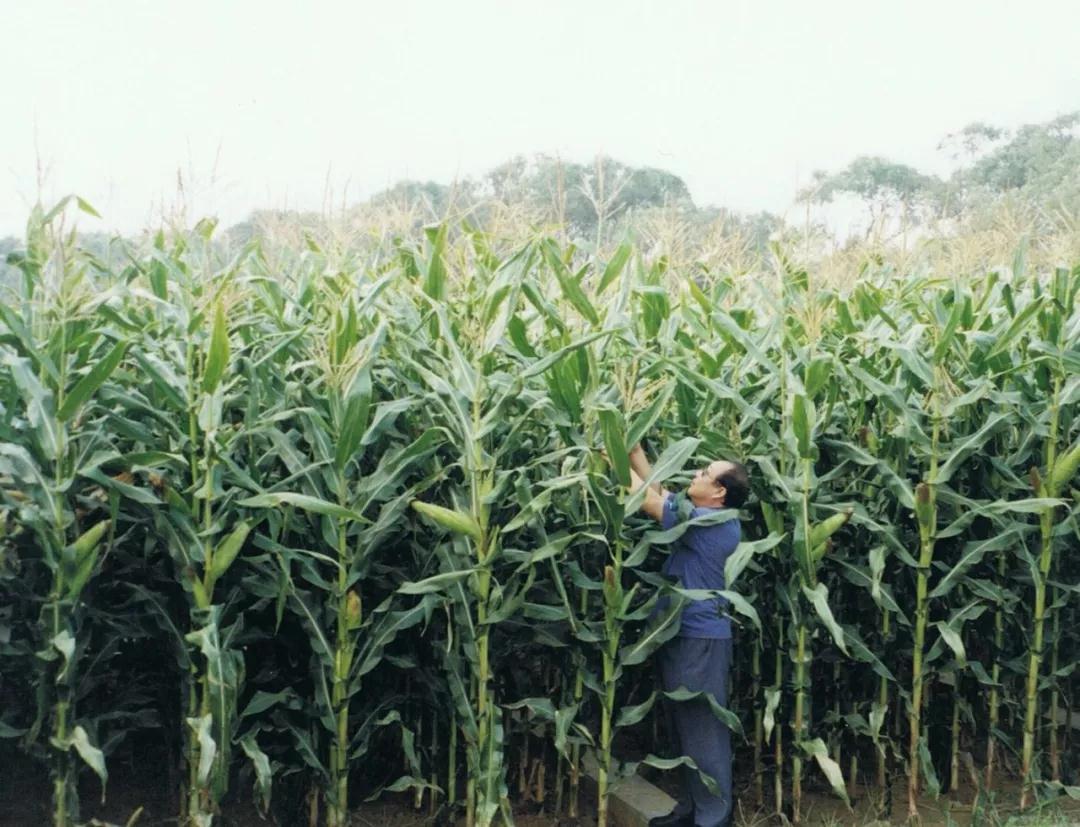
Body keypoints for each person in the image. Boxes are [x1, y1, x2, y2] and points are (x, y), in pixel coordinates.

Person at [627, 442, 749, 827]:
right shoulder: (699, 515)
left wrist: (610, 459)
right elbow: (660, 493)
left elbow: (648, 502)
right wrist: (633, 450)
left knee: (703, 731)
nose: (695, 473)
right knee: (685, 729)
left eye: (704, 473)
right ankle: (692, 811)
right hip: (681, 634)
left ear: (719, 492)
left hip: (701, 639)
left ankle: (714, 819)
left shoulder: (715, 526)